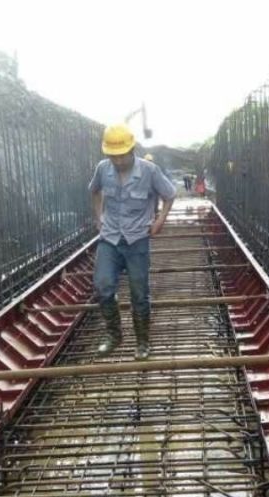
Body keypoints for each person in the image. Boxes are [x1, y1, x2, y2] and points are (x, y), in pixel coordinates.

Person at [89, 125, 176, 360]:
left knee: (139, 293)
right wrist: (99, 218)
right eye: (112, 156)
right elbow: (94, 191)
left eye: (121, 155)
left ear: (131, 149)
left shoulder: (149, 171)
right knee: (103, 286)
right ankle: (114, 335)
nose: (117, 161)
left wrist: (159, 222)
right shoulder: (102, 169)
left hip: (137, 239)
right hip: (109, 237)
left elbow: (170, 195)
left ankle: (142, 342)